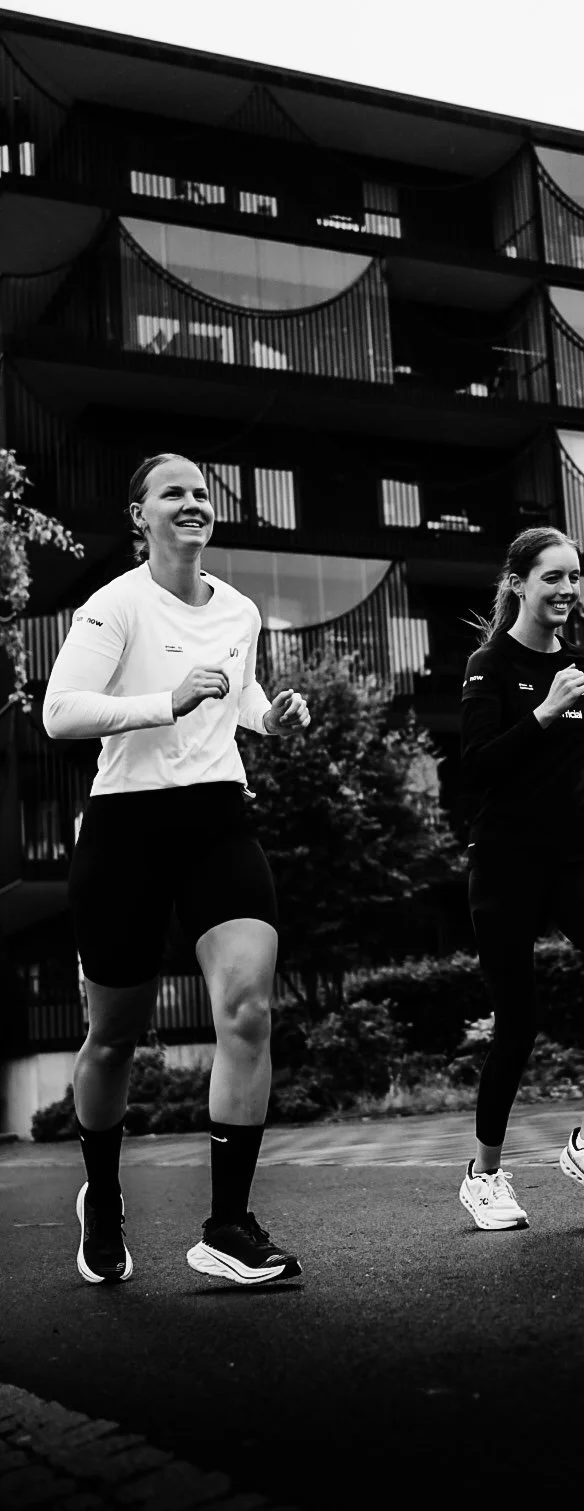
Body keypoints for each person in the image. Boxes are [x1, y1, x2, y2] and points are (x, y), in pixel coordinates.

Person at [43, 452, 311, 1285]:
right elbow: (61, 713)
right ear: (140, 515)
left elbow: (234, 693)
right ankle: (104, 1194)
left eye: (200, 493)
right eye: (174, 493)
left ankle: (227, 1224)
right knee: (115, 1038)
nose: (192, 503)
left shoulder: (239, 609)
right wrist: (167, 702)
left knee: (247, 1008)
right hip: (126, 830)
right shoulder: (113, 605)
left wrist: (272, 715)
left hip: (216, 821)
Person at [458, 527, 584, 1229]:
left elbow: (569, 758)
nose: (568, 590)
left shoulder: (583, 666)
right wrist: (541, 712)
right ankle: (484, 1175)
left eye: (575, 577)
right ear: (518, 584)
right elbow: (477, 767)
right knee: (520, 1022)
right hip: (506, 861)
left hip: (574, 855)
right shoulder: (488, 664)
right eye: (553, 578)